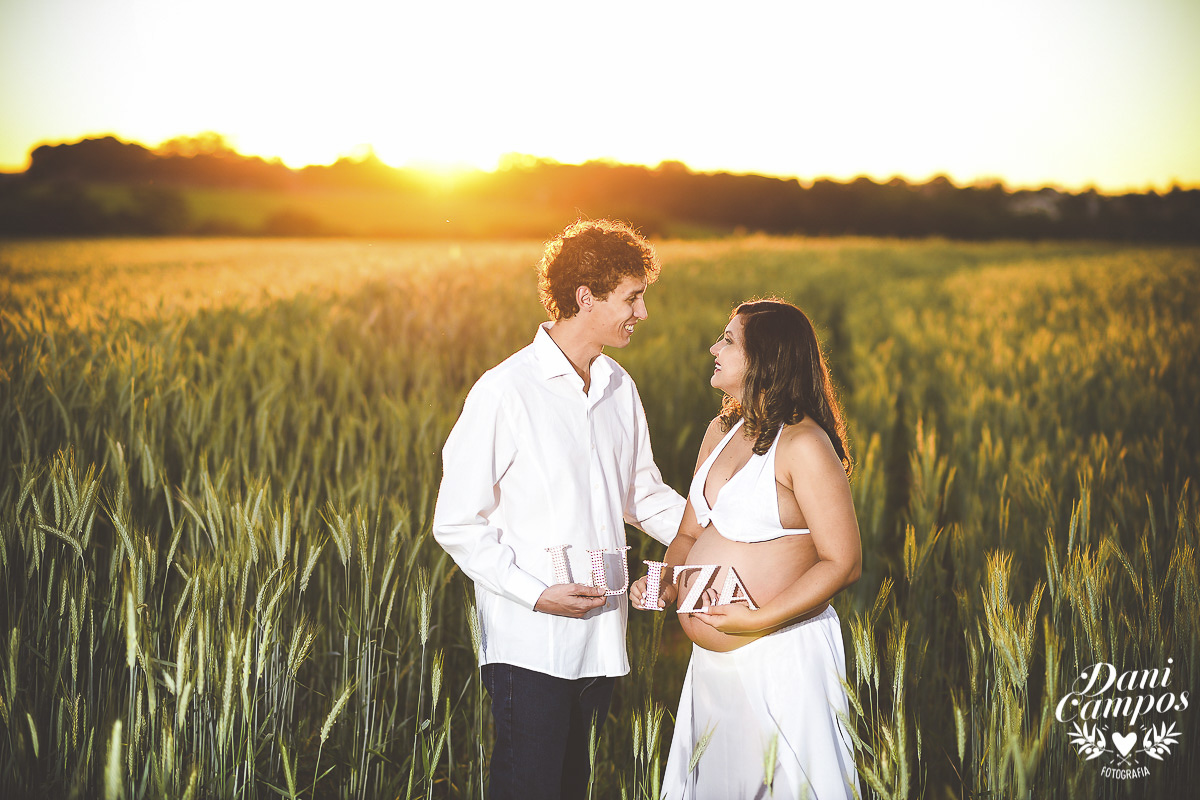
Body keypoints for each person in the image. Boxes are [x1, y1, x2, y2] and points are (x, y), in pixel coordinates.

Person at [432, 219, 687, 800]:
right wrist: (534, 593)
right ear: (585, 297)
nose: (641, 313)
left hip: (601, 638)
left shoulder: (619, 387)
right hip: (531, 640)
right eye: (632, 297)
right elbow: (456, 521)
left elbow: (642, 494)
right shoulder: (505, 391)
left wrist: (725, 536)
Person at [631, 299, 861, 799]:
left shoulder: (803, 444)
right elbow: (690, 533)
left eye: (728, 340)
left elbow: (843, 562)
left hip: (780, 656)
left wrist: (757, 620)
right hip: (713, 669)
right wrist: (665, 579)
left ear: (767, 358)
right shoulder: (721, 431)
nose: (714, 348)